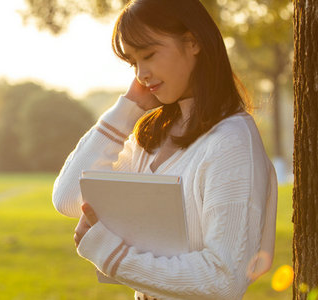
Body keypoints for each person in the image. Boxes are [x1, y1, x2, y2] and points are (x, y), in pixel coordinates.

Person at [52, 0, 278, 299]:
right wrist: (128, 107)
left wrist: (113, 256)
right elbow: (67, 198)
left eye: (149, 54)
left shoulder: (232, 142)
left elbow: (224, 278)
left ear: (193, 41)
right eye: (133, 63)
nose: (141, 74)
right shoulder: (151, 137)